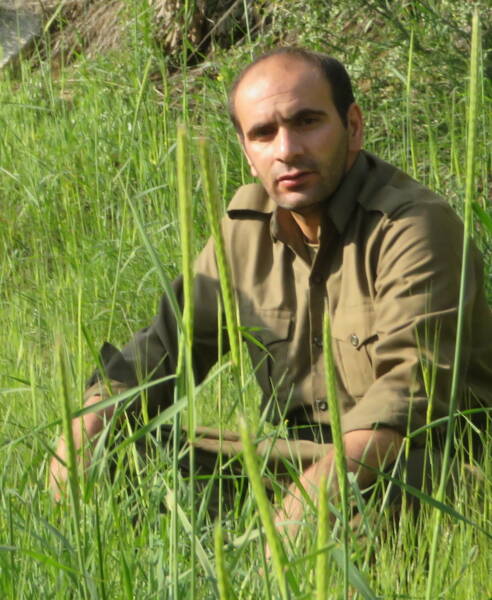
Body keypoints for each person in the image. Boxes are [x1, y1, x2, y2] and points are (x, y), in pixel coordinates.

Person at [50, 47, 491, 543]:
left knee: (365, 506)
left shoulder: (412, 226)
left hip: (415, 463)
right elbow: (169, 346)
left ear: (353, 126)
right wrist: (92, 420)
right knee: (121, 447)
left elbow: (410, 391)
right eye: (263, 133)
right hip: (297, 461)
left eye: (307, 122)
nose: (287, 149)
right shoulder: (245, 229)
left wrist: (306, 508)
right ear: (246, 150)